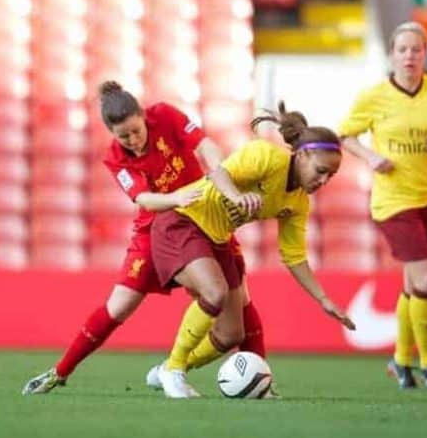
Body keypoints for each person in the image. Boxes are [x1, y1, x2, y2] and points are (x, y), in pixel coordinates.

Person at [22, 81, 266, 395]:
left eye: (136, 131)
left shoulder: (165, 115)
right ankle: (59, 372)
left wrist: (221, 174)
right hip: (156, 230)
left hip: (204, 217)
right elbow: (144, 200)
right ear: (112, 134)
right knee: (120, 306)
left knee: (236, 316)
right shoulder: (114, 157)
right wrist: (178, 198)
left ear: (144, 116)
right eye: (123, 137)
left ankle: (196, 371)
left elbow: (205, 145)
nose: (133, 141)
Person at [148, 101, 356, 398]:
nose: (323, 181)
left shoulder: (298, 202)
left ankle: (167, 367)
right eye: (321, 171)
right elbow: (218, 173)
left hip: (216, 238)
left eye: (330, 177)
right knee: (215, 292)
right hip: (184, 221)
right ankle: (174, 370)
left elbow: (294, 256)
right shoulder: (266, 156)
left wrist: (323, 299)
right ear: (304, 154)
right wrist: (236, 195)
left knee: (231, 334)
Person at [339, 21, 427, 390]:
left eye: (416, 49)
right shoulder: (374, 97)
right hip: (393, 202)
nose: (410, 56)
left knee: (413, 286)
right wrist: (369, 157)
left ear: (425, 54)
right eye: (402, 49)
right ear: (391, 55)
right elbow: (345, 135)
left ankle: (401, 361)